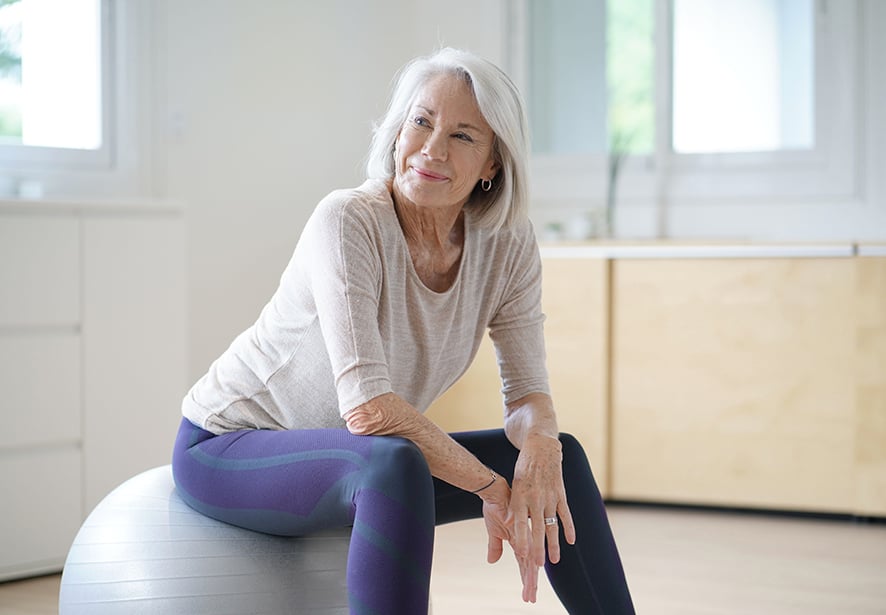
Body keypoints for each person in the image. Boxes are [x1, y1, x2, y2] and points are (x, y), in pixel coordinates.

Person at [172, 47, 635, 614]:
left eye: (464, 136)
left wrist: (538, 447)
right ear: (397, 133)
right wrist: (490, 488)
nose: (432, 149)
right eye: (421, 122)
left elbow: (527, 395)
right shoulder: (348, 221)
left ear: (493, 164)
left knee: (561, 454)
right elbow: (368, 411)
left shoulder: (508, 243)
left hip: (362, 462)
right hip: (229, 447)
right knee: (392, 460)